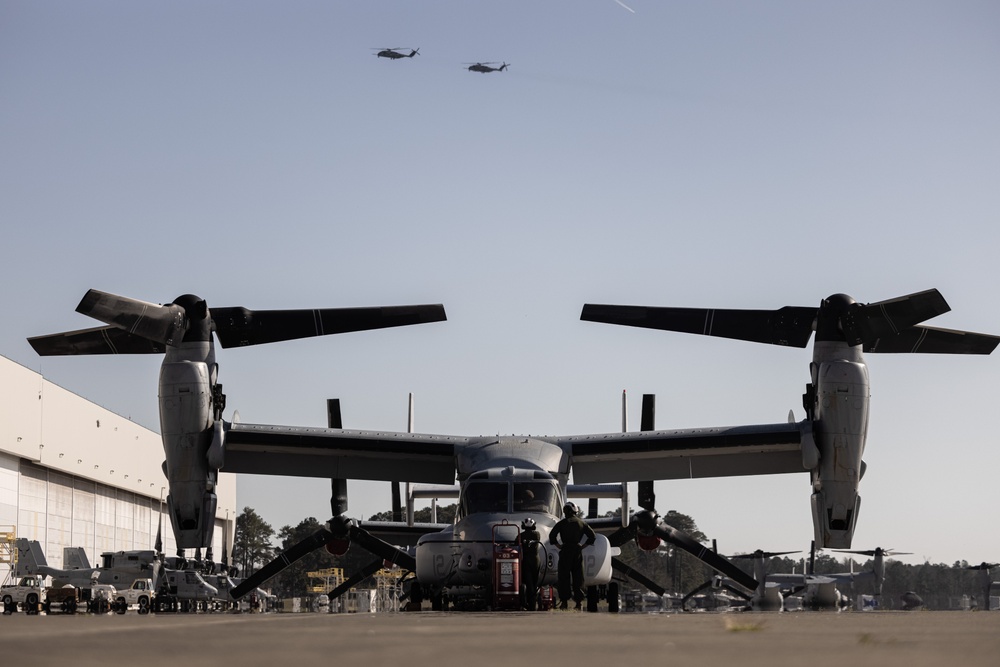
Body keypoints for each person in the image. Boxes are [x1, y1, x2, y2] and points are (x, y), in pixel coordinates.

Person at [548, 502, 596, 610]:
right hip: (577, 551)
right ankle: (578, 603)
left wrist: (559, 546)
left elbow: (552, 535)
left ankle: (564, 603)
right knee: (578, 577)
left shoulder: (562, 523)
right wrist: (582, 546)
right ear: (575, 511)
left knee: (564, 577)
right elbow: (592, 536)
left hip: (565, 551)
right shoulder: (581, 523)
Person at [519, 517, 542, 610]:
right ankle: (533, 602)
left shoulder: (521, 535)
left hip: (526, 560)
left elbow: (515, 542)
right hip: (536, 560)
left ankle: (530, 603)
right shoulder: (537, 534)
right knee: (535, 582)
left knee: (529, 583)